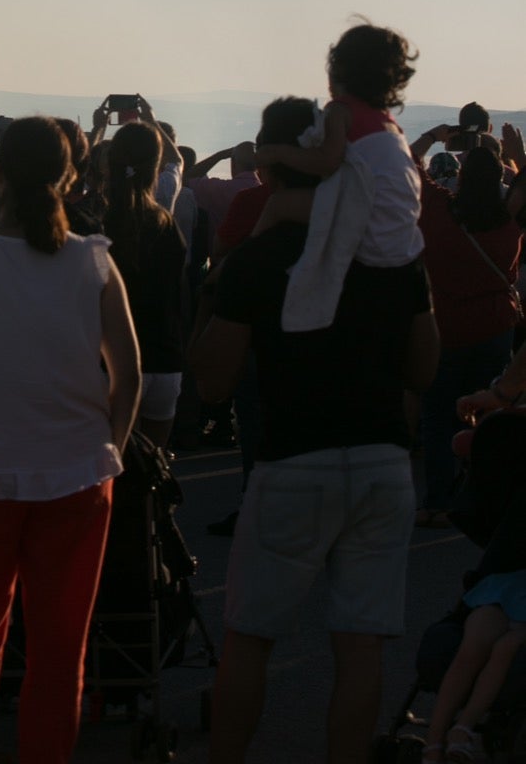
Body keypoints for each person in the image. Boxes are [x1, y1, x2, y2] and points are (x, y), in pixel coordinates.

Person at [191, 95, 439, 764]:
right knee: (360, 647)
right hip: (382, 459)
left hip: (293, 459)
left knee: (250, 638)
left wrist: (219, 288)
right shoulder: (393, 252)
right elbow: (423, 368)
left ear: (269, 169)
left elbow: (213, 382)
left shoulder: (259, 257)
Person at [0, 114, 141, 764]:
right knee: (60, 647)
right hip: (77, 471)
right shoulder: (94, 260)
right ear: (68, 177)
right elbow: (128, 374)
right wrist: (112, 448)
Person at [254, 21, 424, 331]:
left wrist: (277, 153)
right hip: (399, 238)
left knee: (279, 205)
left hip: (368, 221)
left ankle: (241, 262)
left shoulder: (340, 111)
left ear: (339, 71)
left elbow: (326, 162)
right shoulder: (391, 125)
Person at [410, 134, 523, 526]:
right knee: (490, 415)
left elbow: (408, 164)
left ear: (462, 176)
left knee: (438, 415)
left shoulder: (437, 210)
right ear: (499, 179)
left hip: (446, 327)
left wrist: (431, 137)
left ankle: (439, 501)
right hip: (495, 326)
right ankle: (486, 498)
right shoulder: (510, 221)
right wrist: (517, 156)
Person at [101, 121, 187, 447]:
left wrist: (97, 129)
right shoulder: (167, 223)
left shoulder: (100, 223)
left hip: (109, 361)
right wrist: (149, 118)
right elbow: (177, 161)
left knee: (110, 464)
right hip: (164, 357)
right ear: (155, 166)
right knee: (154, 462)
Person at [424, 571, 526, 761]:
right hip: (509, 590)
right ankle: (433, 744)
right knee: (471, 649)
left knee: (507, 647)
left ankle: (463, 728)